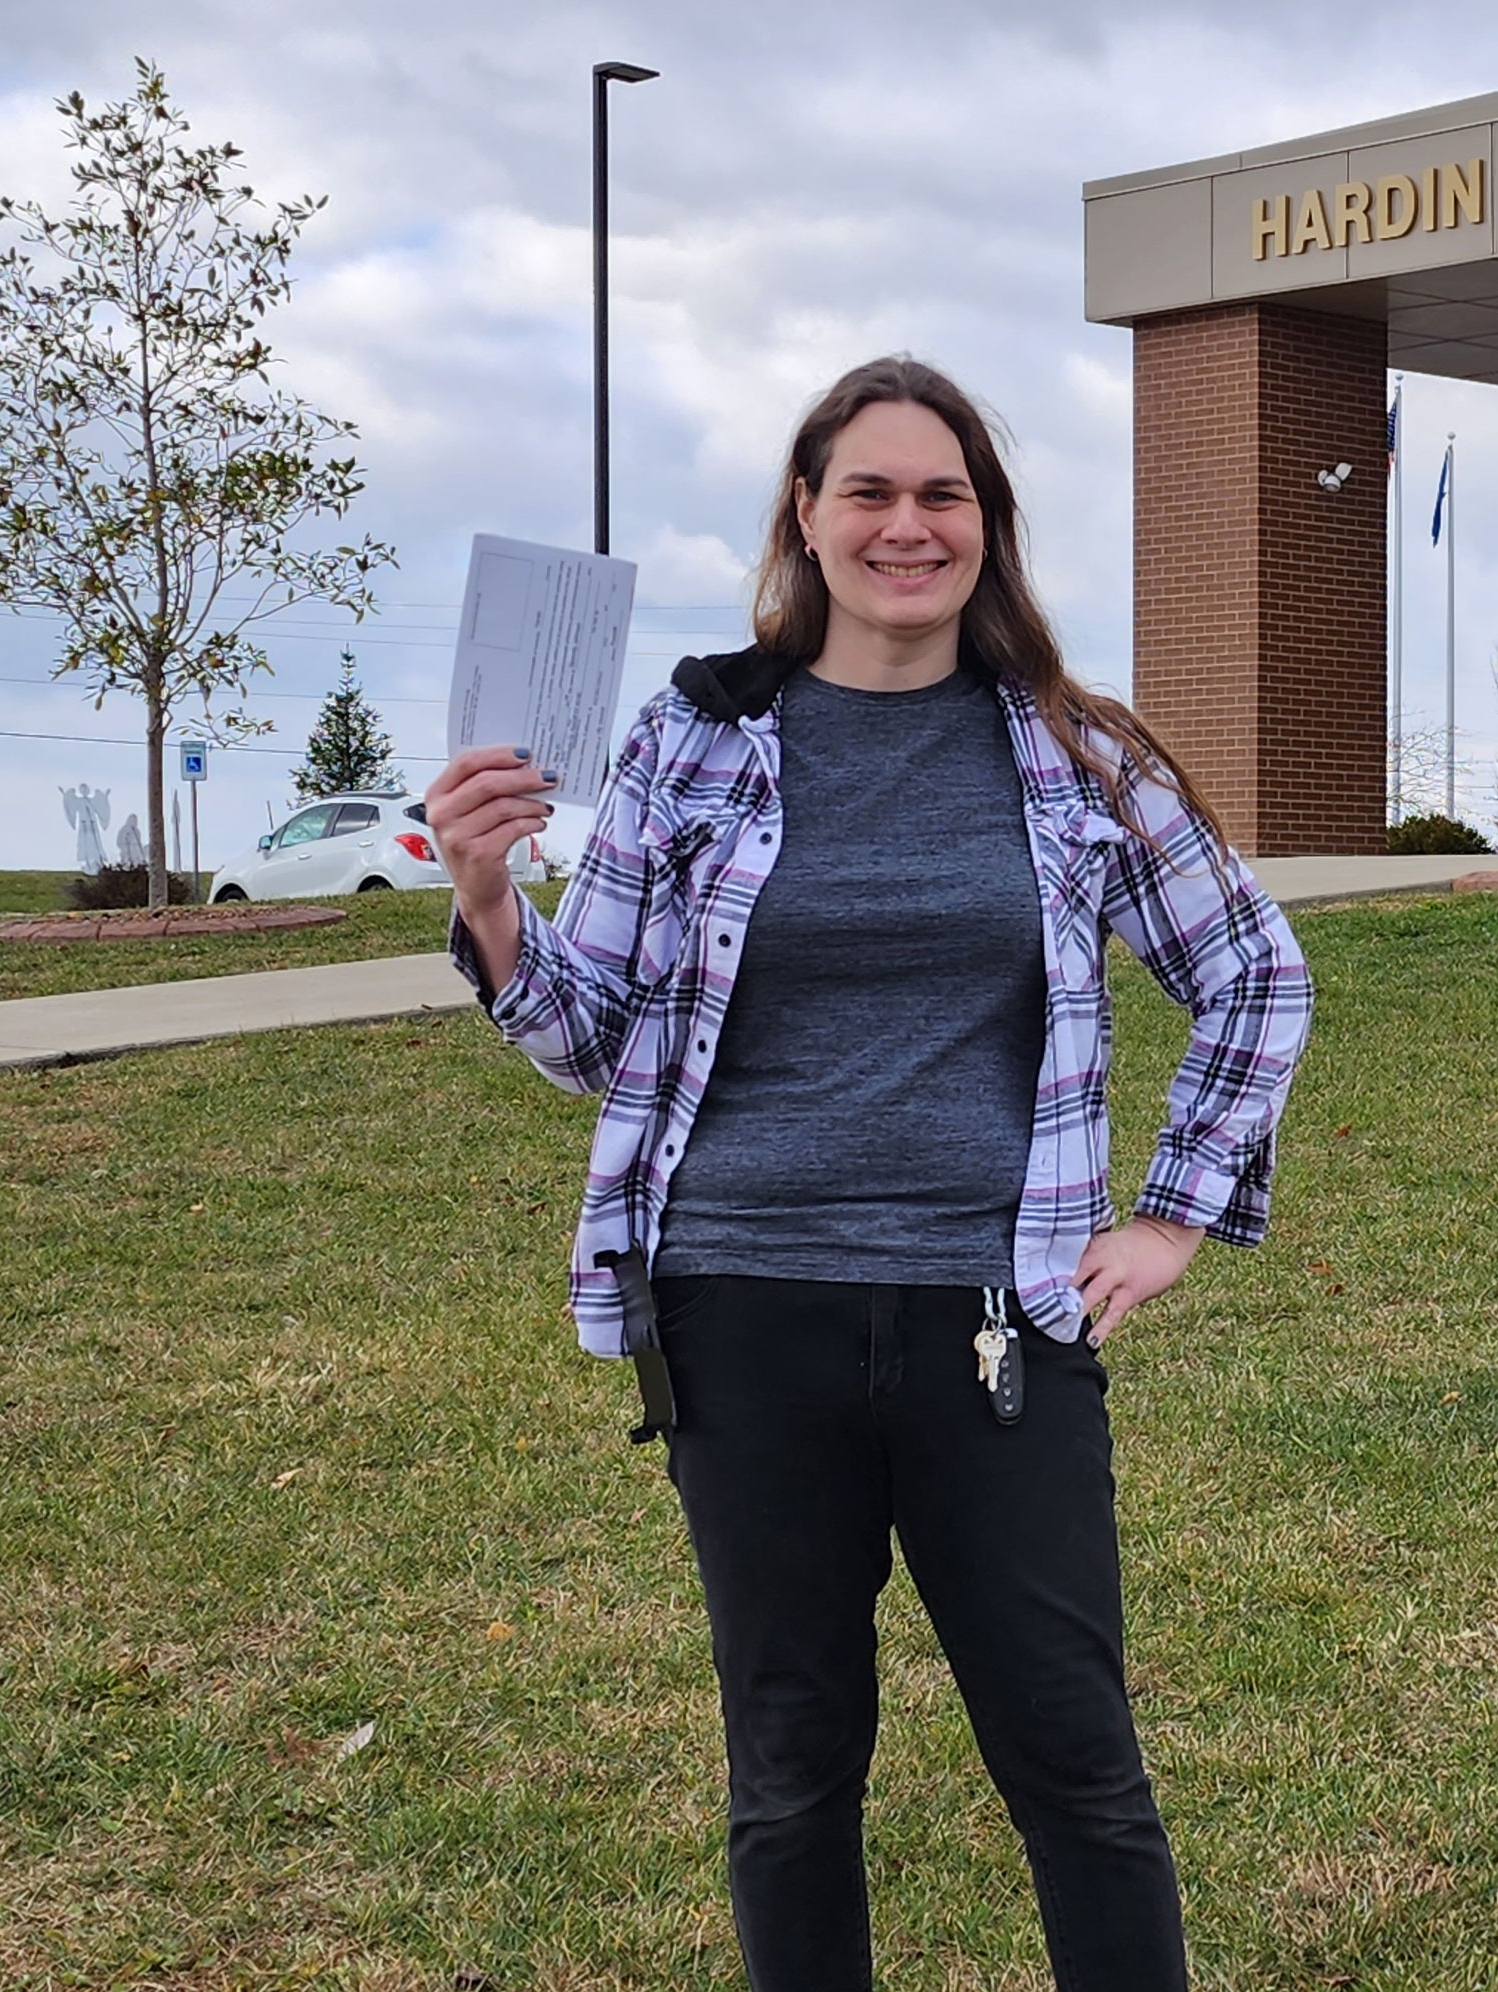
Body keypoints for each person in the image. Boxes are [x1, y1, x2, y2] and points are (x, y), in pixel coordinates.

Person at [426, 356, 1313, 1992]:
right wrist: (488, 903)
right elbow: (590, 1036)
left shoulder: (1074, 751)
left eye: (943, 495)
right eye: (872, 493)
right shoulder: (694, 740)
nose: (909, 526)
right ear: (806, 517)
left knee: (1073, 1762)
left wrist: (1174, 1215)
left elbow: (1254, 972)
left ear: (984, 526)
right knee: (789, 1768)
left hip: (996, 1319)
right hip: (741, 1310)